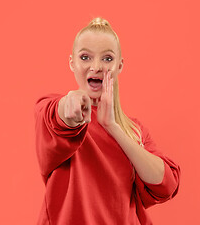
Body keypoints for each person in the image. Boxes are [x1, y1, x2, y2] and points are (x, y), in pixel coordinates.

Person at [34, 17, 181, 225]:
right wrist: (71, 104)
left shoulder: (135, 130)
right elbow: (58, 117)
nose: (96, 67)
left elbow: (166, 184)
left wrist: (113, 127)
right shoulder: (52, 109)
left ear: (120, 65)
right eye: (85, 57)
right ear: (71, 63)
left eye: (107, 59)